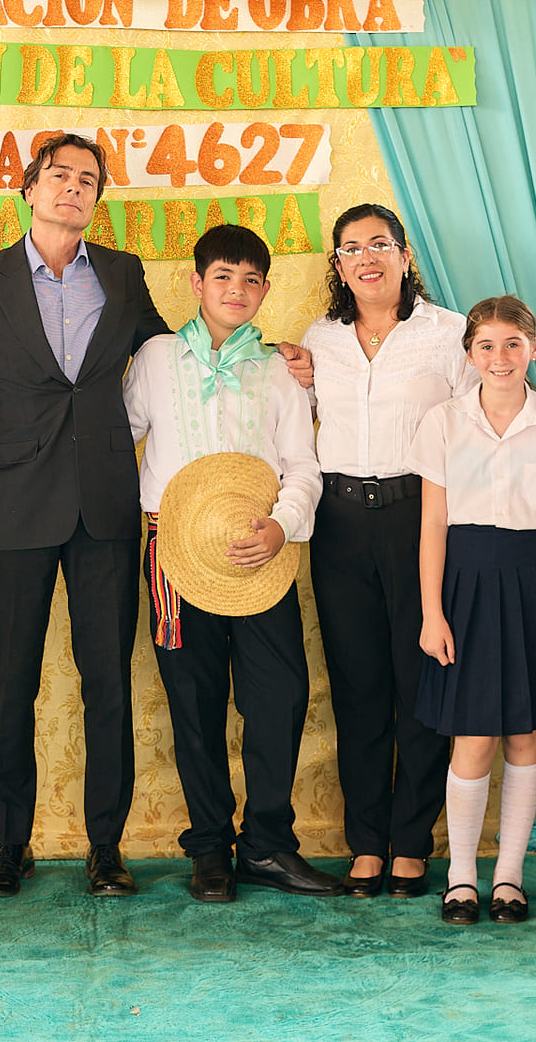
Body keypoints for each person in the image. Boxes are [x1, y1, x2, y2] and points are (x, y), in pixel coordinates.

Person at [0, 133, 170, 899]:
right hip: (13, 509)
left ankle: (107, 848)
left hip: (105, 510)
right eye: (60, 175)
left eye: (89, 181)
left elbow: (170, 360)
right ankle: (9, 845)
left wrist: (258, 355)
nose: (74, 189)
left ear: (98, 199)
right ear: (28, 188)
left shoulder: (123, 275)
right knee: (10, 682)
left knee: (108, 683)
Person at [124, 224, 338, 903]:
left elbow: (303, 464)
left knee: (278, 697)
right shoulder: (154, 358)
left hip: (261, 554)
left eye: (251, 279)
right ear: (195, 282)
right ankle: (210, 848)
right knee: (193, 701)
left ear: (266, 289)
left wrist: (282, 525)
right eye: (223, 276)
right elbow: (115, 438)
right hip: (173, 556)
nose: (237, 290)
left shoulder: (279, 368)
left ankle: (270, 844)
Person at [294, 202, 469, 898]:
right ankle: (367, 842)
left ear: (404, 254)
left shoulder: (449, 333)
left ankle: (412, 841)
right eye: (350, 248)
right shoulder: (320, 337)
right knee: (358, 686)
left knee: (421, 684)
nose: (365, 258)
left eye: (379, 244)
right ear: (337, 264)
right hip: (339, 523)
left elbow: (476, 432)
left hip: (420, 520)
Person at [410, 295, 536, 927]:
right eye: (485, 345)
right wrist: (432, 612)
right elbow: (432, 523)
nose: (499, 357)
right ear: (469, 354)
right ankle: (462, 877)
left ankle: (509, 878)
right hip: (465, 583)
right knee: (474, 737)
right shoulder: (442, 421)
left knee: (525, 732)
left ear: (533, 348)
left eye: (512, 344)